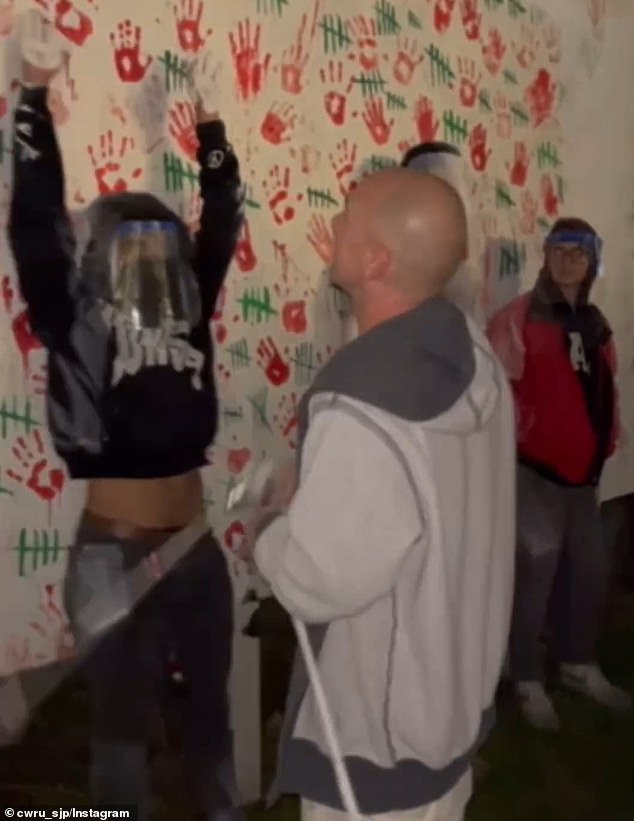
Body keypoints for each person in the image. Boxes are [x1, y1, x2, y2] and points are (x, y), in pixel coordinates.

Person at [8, 13, 244, 821]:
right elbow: (34, 217)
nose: (148, 254)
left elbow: (224, 212)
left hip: (197, 543)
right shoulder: (71, 316)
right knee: (119, 736)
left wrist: (209, 122)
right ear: (104, 254)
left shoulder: (190, 310)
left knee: (210, 720)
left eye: (159, 240)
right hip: (114, 555)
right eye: (128, 240)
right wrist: (34, 93)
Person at [250, 168, 516, 821]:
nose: (334, 224)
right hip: (448, 697)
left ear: (375, 259)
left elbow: (316, 580)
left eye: (347, 215)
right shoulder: (471, 352)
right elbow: (419, 499)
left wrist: (267, 519)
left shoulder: (365, 401)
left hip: (381, 741)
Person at [487, 218, 632, 730]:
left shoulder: (596, 322)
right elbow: (496, 394)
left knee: (589, 572)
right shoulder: (518, 318)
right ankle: (524, 676)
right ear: (545, 255)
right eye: (560, 250)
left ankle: (576, 663)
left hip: (583, 477)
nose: (570, 260)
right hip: (536, 473)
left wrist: (608, 441)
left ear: (593, 262)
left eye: (580, 253)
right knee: (537, 572)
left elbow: (606, 389)